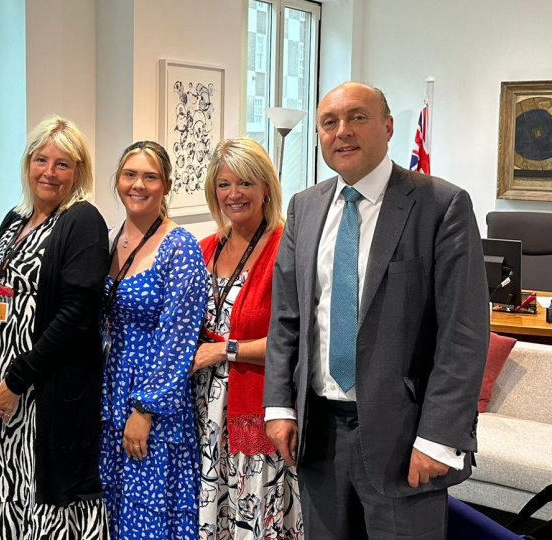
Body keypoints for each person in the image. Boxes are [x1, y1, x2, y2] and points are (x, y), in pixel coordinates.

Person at [263, 82, 489, 539]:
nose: (342, 131)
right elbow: (287, 319)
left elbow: (462, 334)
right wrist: (279, 406)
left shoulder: (441, 205)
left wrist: (438, 438)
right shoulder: (304, 207)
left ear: (387, 127)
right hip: (318, 435)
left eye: (358, 117)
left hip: (404, 440)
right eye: (329, 122)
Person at [0, 114, 110, 539]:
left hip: (46, 396)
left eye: (63, 164)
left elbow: (75, 316)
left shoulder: (82, 221)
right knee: (2, 497)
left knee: (47, 509)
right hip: (0, 400)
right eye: (41, 160)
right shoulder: (14, 220)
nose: (49, 172)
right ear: (28, 162)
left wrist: (15, 381)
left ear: (79, 172)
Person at [192, 137, 302, 539]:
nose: (234, 194)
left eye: (245, 184)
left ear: (266, 188)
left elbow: (296, 341)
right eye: (224, 185)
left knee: (254, 515)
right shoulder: (203, 248)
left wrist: (225, 350)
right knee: (212, 511)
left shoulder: (287, 248)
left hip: (258, 407)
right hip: (202, 411)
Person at [99, 141, 209, 540]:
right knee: (115, 505)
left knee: (150, 513)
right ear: (117, 181)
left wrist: (145, 410)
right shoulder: (110, 239)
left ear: (166, 185)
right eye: (130, 174)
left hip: (154, 399)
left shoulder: (180, 248)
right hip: (113, 390)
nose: (138, 185)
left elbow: (179, 339)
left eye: (150, 176)